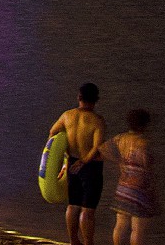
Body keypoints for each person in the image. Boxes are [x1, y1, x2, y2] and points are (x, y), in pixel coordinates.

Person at [50, 83, 107, 245]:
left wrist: (63, 160)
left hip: (72, 162)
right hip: (90, 166)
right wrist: (84, 162)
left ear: (79, 97)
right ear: (96, 100)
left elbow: (53, 133)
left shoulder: (67, 115)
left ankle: (73, 241)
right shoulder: (97, 121)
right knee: (88, 209)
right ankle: (88, 243)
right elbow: (96, 147)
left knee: (73, 205)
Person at [105, 108, 157, 243]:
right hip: (140, 188)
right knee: (137, 228)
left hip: (123, 187)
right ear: (144, 125)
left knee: (120, 224)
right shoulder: (144, 143)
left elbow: (103, 150)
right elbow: (147, 165)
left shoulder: (120, 139)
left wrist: (120, 161)